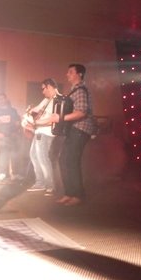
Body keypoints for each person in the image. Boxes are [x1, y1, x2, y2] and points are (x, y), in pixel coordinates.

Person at [50, 64, 97, 206]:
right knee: (63, 160)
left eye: (70, 72)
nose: (67, 74)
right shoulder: (73, 91)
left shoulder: (81, 90)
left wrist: (60, 118)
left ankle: (77, 195)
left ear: (80, 74)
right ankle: (69, 193)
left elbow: (81, 112)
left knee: (71, 161)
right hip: (74, 129)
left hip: (80, 129)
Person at [23, 78, 62, 195]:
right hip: (39, 131)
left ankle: (50, 185)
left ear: (49, 87)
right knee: (34, 155)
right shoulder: (46, 100)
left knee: (43, 157)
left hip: (46, 133)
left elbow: (53, 120)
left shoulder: (58, 100)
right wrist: (28, 114)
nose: (42, 91)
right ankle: (40, 183)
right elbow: (35, 110)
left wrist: (35, 123)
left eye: (43, 89)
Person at [0, 93, 21, 183]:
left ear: (6, 99)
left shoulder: (12, 111)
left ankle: (15, 174)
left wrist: (16, 131)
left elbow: (18, 122)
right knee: (3, 156)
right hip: (2, 138)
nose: (1, 100)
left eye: (3, 98)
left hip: (13, 136)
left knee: (15, 155)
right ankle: (3, 173)